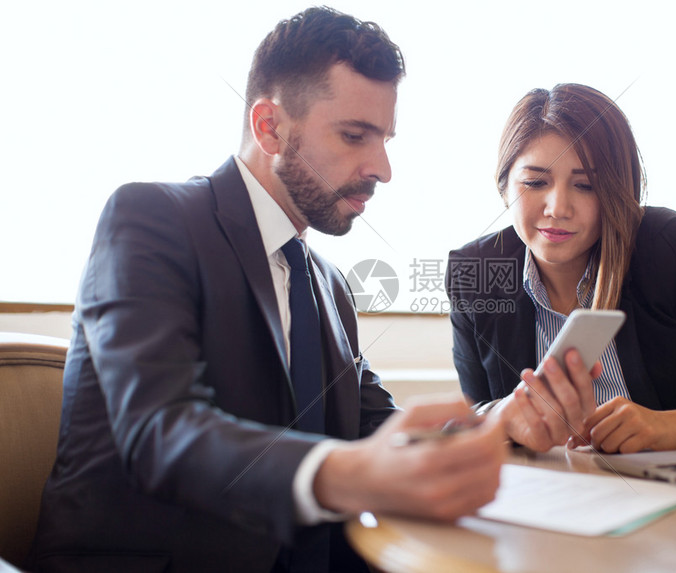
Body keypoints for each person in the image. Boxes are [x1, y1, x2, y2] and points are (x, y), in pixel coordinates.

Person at [31, 7, 506, 573]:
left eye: (384, 138)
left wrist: (503, 422)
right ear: (269, 126)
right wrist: (347, 474)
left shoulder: (328, 284)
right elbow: (158, 432)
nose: (382, 167)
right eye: (355, 135)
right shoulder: (151, 220)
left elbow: (377, 430)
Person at [446, 83, 676, 455]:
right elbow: (479, 413)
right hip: (547, 495)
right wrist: (502, 417)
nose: (558, 207)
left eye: (585, 185)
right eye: (535, 182)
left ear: (617, 191)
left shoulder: (667, 247)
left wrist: (669, 427)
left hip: (671, 490)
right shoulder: (477, 271)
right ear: (504, 187)